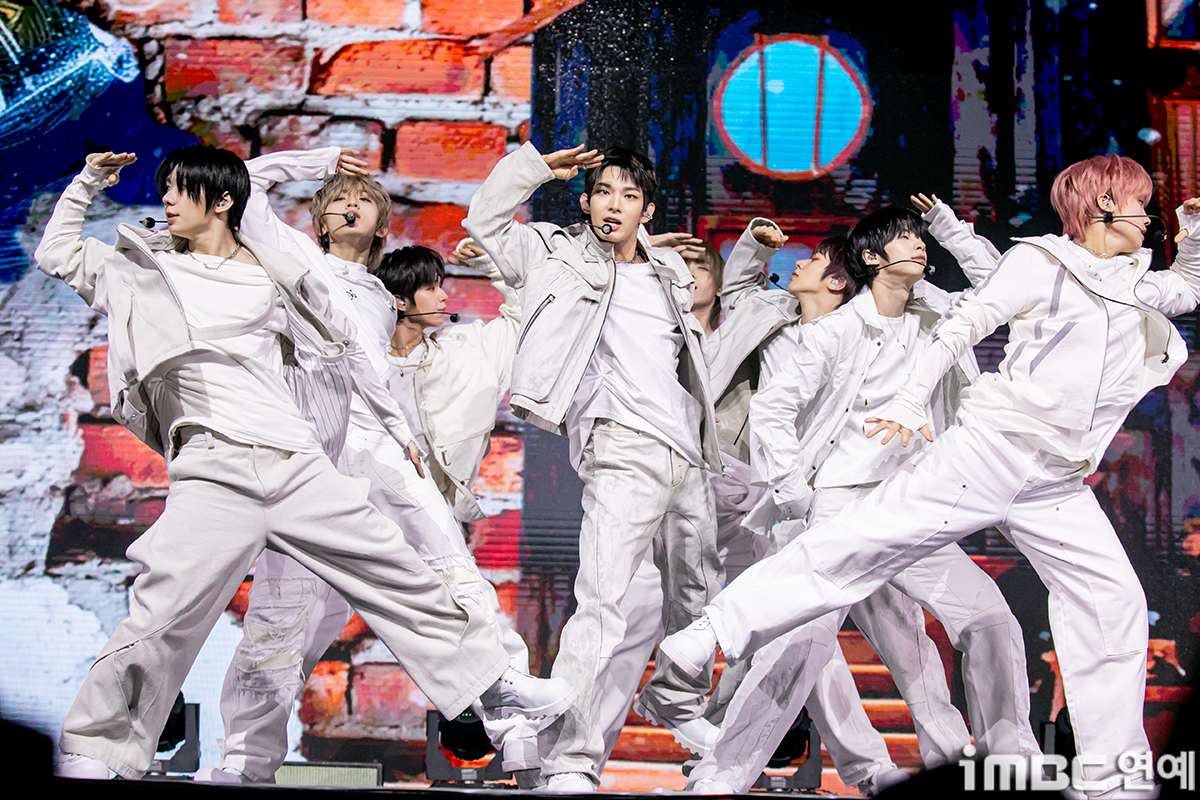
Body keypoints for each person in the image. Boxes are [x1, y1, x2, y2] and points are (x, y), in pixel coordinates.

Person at [661, 155, 1200, 795]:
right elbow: (965, 326)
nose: (1150, 214)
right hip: (967, 459)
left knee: (1100, 604)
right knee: (831, 582)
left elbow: (1181, 289)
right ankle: (712, 653)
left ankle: (1102, 778)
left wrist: (1193, 235)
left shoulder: (1127, 284)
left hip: (1053, 480)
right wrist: (898, 410)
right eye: (1141, 202)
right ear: (1105, 204)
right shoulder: (1030, 267)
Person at [36, 145, 572, 780]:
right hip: (214, 462)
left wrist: (397, 427)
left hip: (297, 460)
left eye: (181, 188)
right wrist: (87, 181)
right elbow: (56, 252)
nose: (168, 200)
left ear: (222, 200)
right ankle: (98, 746)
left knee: (399, 572)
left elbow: (349, 352)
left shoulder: (274, 271)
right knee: (165, 611)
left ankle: (491, 685)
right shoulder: (144, 266)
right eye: (167, 188)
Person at [194, 147, 541, 784]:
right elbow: (248, 184)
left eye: (364, 201)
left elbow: (389, 362)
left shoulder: (387, 293)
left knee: (452, 575)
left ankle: (513, 720)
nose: (350, 205)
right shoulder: (297, 256)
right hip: (315, 450)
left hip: (385, 448)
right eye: (337, 201)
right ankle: (246, 760)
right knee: (288, 609)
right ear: (320, 221)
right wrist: (319, 160)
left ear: (382, 224)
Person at [681, 204, 1039, 794]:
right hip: (840, 508)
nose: (918, 244)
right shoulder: (832, 331)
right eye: (904, 237)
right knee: (800, 645)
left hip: (914, 505)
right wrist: (794, 493)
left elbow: (1004, 285)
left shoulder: (941, 316)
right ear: (871, 258)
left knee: (986, 620)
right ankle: (721, 777)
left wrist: (950, 230)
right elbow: (773, 409)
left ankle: (1006, 767)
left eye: (920, 237)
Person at [465, 143, 724, 792]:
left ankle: (673, 697)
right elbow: (485, 220)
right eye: (603, 192)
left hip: (686, 452)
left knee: (697, 604)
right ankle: (569, 760)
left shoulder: (669, 270)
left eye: (628, 196)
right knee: (602, 606)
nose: (614, 205)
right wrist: (534, 171)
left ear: (647, 210)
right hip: (619, 447)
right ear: (585, 202)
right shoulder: (557, 255)